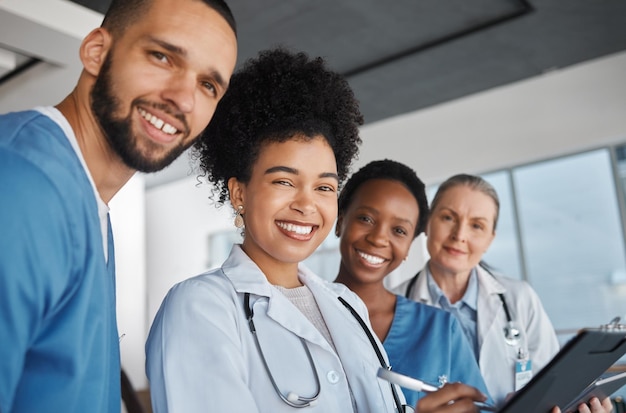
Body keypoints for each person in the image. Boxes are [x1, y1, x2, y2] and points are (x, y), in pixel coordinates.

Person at [146, 48, 490, 413]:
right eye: (283, 181)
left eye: (324, 187)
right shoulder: (200, 306)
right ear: (239, 192)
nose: (307, 205)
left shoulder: (346, 305)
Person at [0, 0, 237, 411]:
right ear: (97, 51)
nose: (183, 99)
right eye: (162, 57)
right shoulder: (19, 183)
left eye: (208, 86)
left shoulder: (91, 206)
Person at [392, 174, 613, 413]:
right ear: (427, 222)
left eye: (477, 225)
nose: (460, 235)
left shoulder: (520, 299)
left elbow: (552, 388)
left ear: (490, 239)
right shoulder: (391, 308)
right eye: (448, 218)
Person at [333, 159, 493, 408]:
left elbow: (481, 407)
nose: (378, 239)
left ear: (409, 246)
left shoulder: (440, 329)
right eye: (365, 218)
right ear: (340, 220)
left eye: (399, 231)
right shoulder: (298, 316)